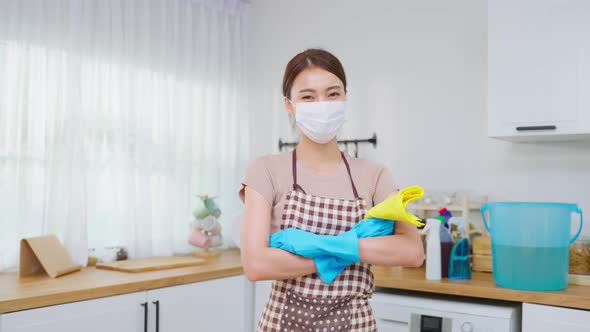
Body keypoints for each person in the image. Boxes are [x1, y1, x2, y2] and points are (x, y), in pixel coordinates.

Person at [239, 48, 424, 331]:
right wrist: (354, 246)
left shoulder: (374, 175)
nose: (322, 104)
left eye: (333, 93)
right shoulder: (265, 170)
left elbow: (411, 252)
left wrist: (317, 246)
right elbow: (256, 265)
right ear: (289, 105)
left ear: (346, 98)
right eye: (308, 96)